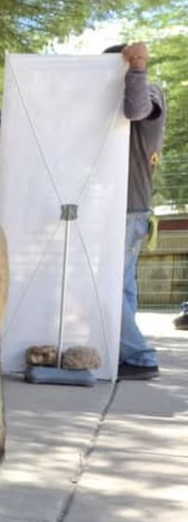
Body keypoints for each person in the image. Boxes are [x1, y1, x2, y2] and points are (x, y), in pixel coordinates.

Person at [106, 42, 165, 380]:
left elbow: (136, 109)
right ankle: (126, 354)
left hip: (129, 210)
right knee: (124, 286)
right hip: (132, 209)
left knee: (109, 287)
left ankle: (140, 356)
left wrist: (137, 67)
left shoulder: (150, 92)